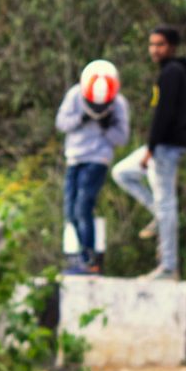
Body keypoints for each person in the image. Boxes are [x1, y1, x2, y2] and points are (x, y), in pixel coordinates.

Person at [111, 25, 186, 280]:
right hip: (164, 144)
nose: (154, 50)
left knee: (167, 203)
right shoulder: (171, 72)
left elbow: (165, 114)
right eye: (152, 45)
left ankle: (168, 266)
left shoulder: (173, 72)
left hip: (166, 146)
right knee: (123, 173)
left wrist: (151, 147)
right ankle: (158, 216)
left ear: (171, 46)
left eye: (159, 44)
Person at [56, 59, 130, 273]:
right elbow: (61, 123)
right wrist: (81, 118)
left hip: (98, 159)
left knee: (83, 207)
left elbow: (121, 138)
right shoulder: (75, 95)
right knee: (70, 211)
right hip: (74, 158)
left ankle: (90, 260)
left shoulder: (118, 104)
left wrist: (105, 126)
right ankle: (82, 256)